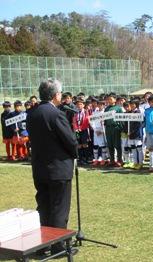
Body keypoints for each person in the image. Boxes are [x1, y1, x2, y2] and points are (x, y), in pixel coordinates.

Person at [26, 79, 78, 256]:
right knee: (59, 207)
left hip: (39, 167)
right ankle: (58, 246)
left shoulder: (32, 113)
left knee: (44, 206)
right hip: (58, 168)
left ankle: (42, 245)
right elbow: (70, 140)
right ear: (56, 95)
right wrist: (75, 151)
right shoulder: (56, 114)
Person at [104, 94, 124, 167]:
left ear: (115, 100)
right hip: (108, 128)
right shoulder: (106, 108)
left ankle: (119, 160)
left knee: (117, 145)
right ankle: (112, 160)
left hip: (116, 128)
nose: (109, 101)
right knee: (110, 145)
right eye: (108, 99)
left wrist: (121, 128)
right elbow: (104, 118)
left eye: (111, 99)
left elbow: (122, 119)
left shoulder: (118, 108)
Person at [72, 98, 91, 165]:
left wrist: (81, 128)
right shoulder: (75, 112)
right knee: (79, 145)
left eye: (80, 104)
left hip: (84, 130)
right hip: (77, 131)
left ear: (83, 105)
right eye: (77, 104)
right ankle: (80, 159)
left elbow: (87, 121)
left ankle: (86, 159)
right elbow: (74, 121)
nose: (79, 105)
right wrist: (76, 128)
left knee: (85, 144)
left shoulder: (86, 111)